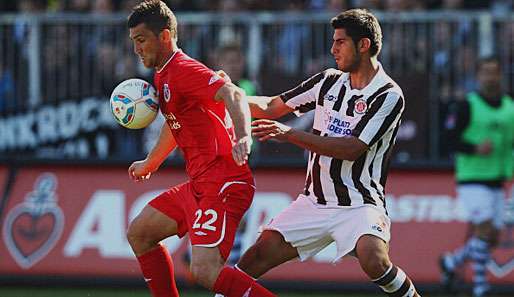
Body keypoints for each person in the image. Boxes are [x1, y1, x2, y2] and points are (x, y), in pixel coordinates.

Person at [225, 8, 420, 297]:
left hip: (359, 203)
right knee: (253, 259)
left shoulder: (389, 95)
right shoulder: (329, 81)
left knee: (373, 258)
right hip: (314, 202)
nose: (333, 49)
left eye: (340, 42)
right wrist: (224, 96)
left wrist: (290, 134)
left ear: (363, 45)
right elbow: (272, 106)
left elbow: (353, 149)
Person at [125, 1, 276, 297]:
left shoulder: (182, 69)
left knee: (204, 270)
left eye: (141, 40)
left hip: (224, 181)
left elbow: (233, 93)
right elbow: (174, 122)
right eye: (134, 42)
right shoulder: (163, 74)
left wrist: (244, 136)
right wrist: (151, 162)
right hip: (199, 184)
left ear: (165, 36)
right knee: (141, 232)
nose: (137, 49)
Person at [440, 56, 514, 297]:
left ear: (500, 75)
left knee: (491, 238)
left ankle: (451, 263)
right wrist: (473, 148)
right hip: (471, 178)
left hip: (497, 179)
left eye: (494, 72)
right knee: (483, 230)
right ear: (478, 76)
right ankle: (481, 287)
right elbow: (448, 139)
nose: (490, 77)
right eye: (485, 72)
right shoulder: (466, 105)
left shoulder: (509, 107)